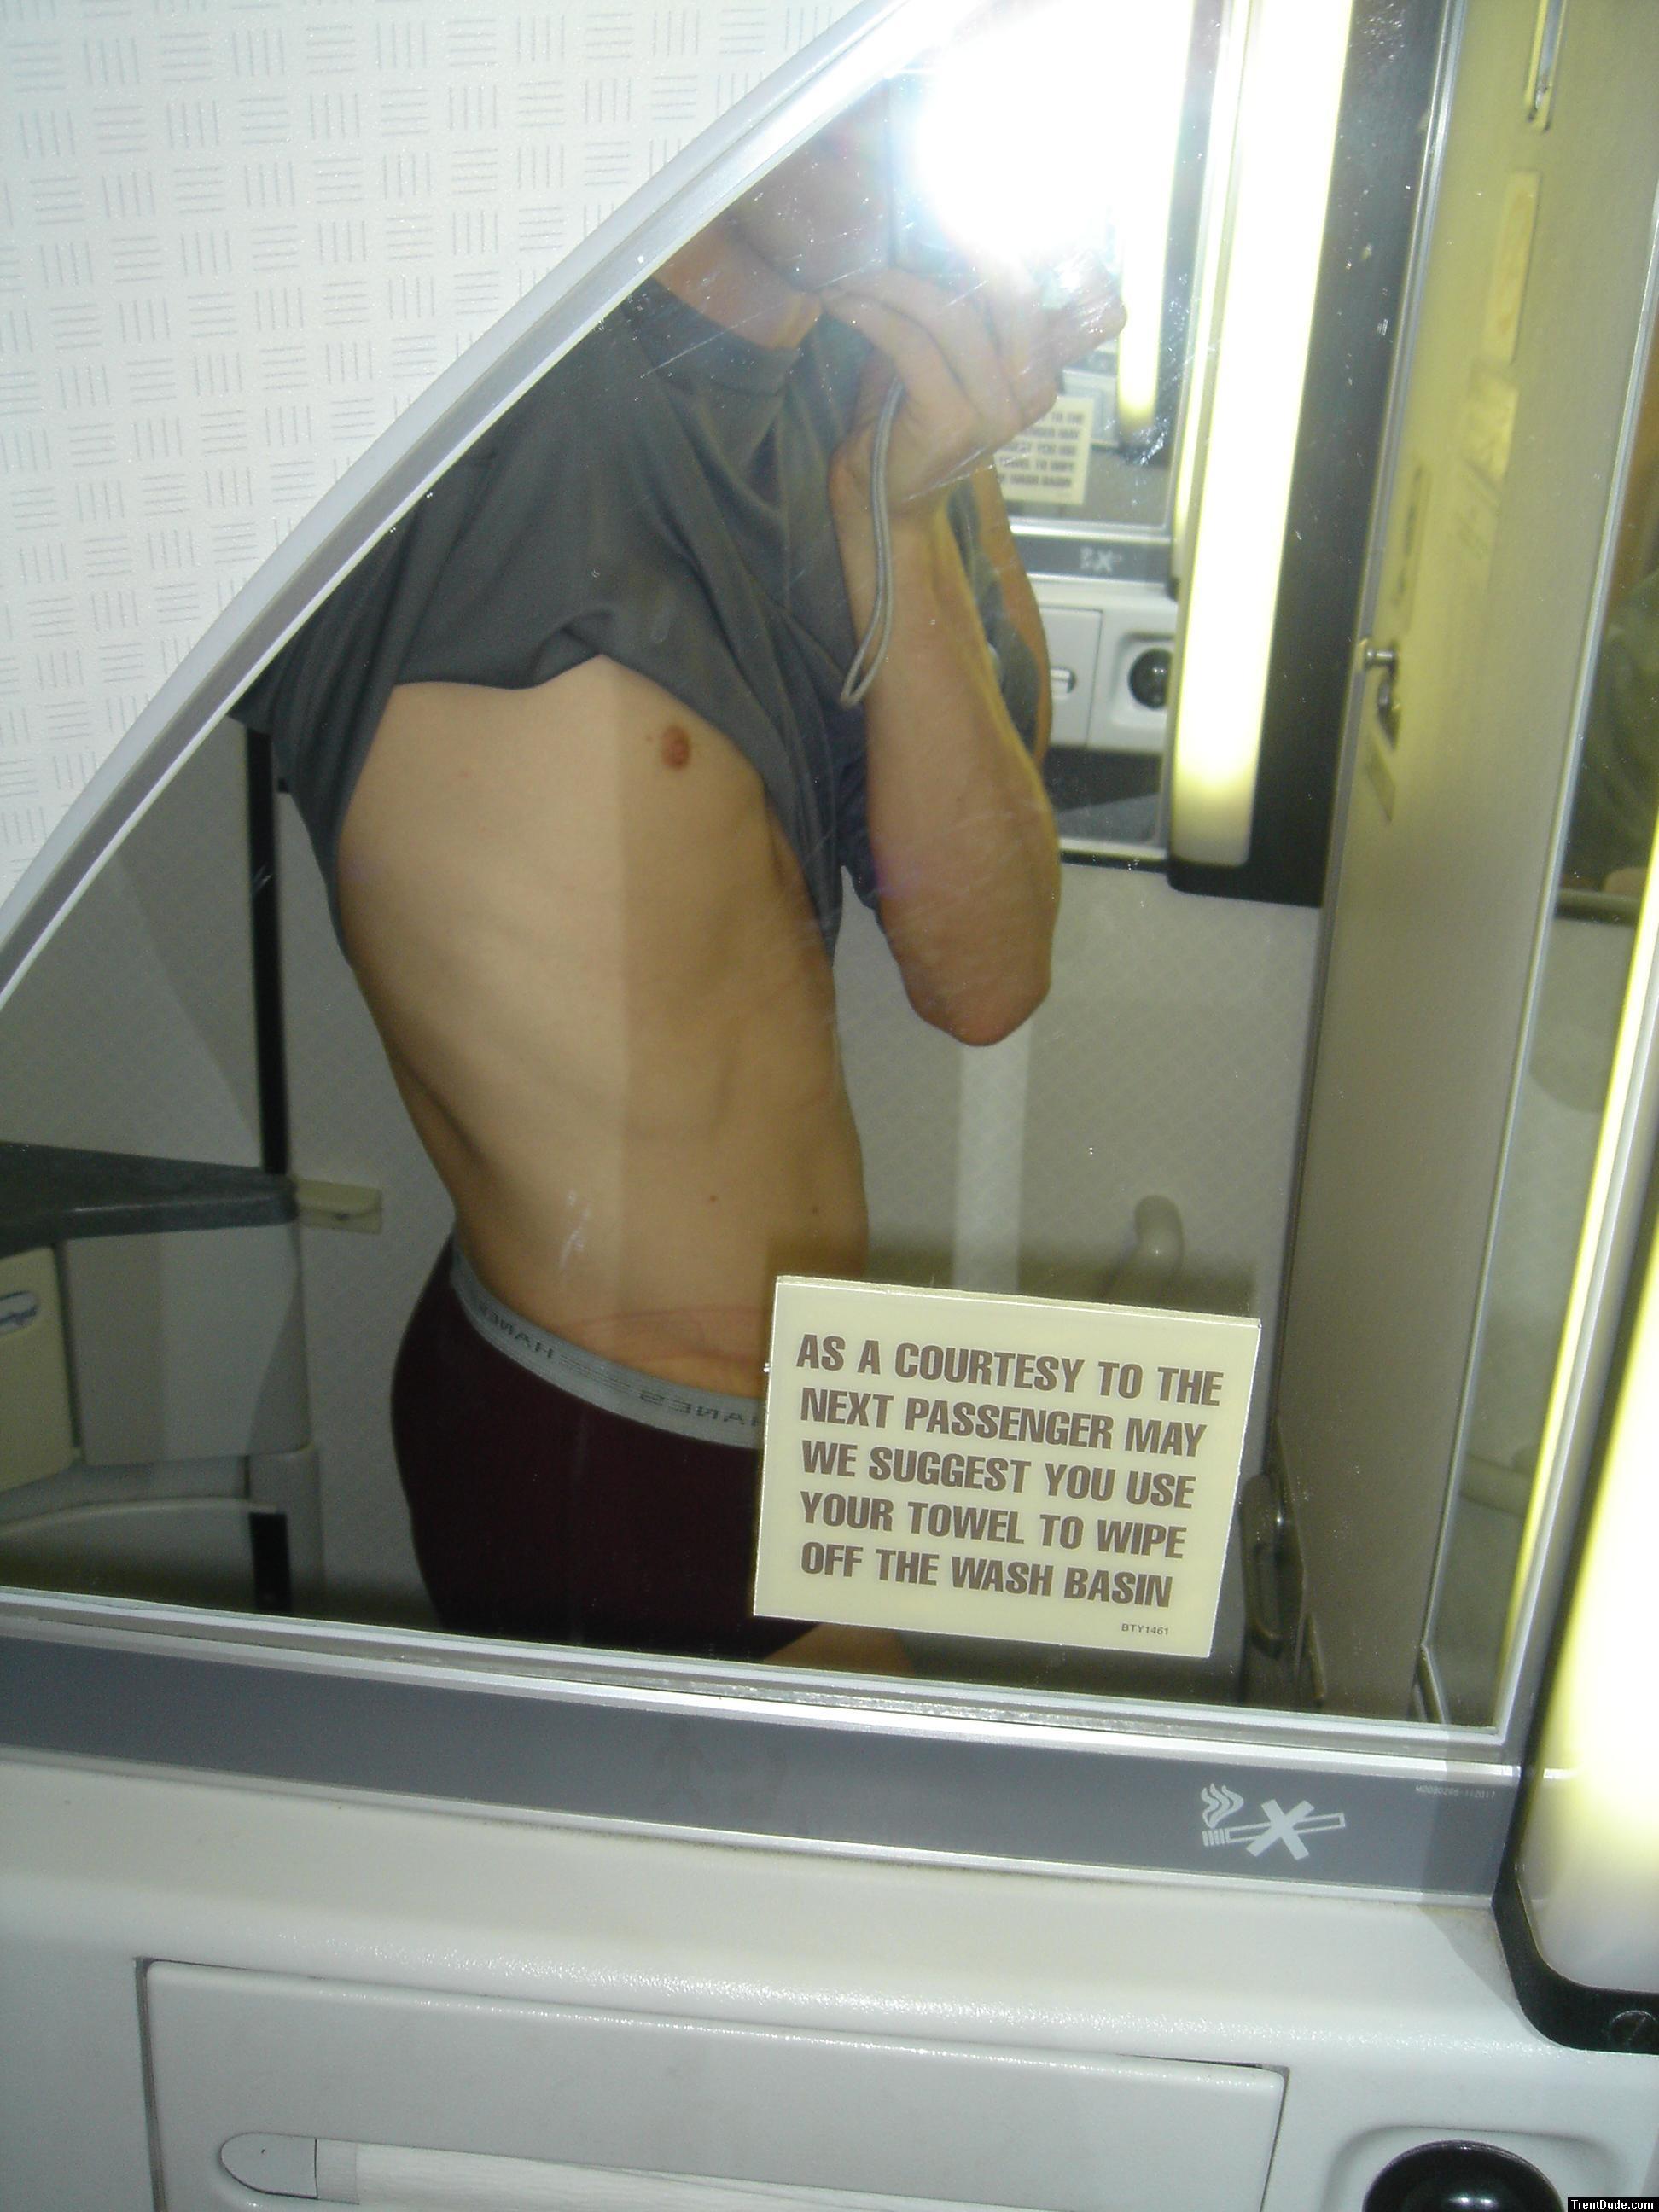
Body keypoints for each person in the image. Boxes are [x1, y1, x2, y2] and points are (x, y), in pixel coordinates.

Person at [240, 89, 1123, 1664]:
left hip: (809, 1414)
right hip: (606, 1436)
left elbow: (986, 976)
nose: (885, 111)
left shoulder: (878, 402)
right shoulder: (445, 389)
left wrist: (904, 516)